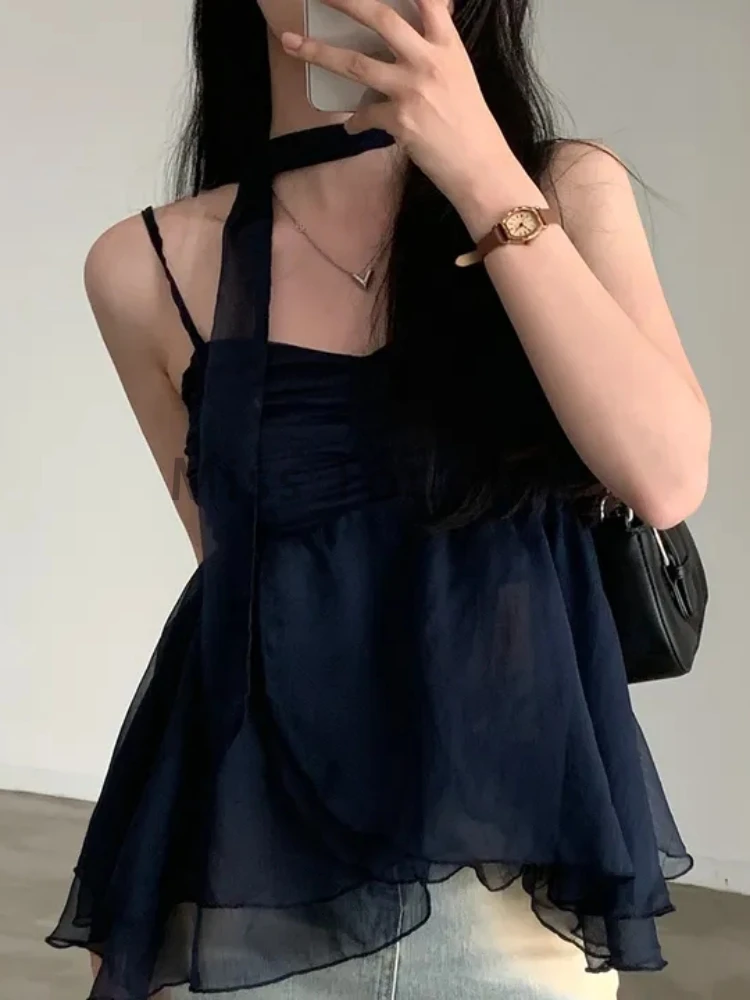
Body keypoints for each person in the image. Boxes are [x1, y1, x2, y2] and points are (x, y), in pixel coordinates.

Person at [46, 0, 711, 997]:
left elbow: (662, 476)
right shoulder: (145, 264)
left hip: (511, 864)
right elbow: (239, 585)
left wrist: (480, 169)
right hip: (252, 866)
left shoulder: (564, 190)